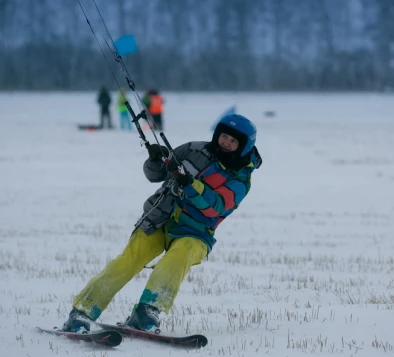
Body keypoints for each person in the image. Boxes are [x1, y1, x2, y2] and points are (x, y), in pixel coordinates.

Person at [61, 113, 263, 332]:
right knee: (127, 262)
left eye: (233, 141)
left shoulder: (241, 179)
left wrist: (190, 184)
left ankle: (147, 311)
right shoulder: (193, 150)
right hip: (159, 218)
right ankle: (82, 311)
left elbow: (216, 206)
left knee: (177, 259)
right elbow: (155, 175)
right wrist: (155, 160)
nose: (226, 143)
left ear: (243, 147)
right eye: (224, 136)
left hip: (195, 233)